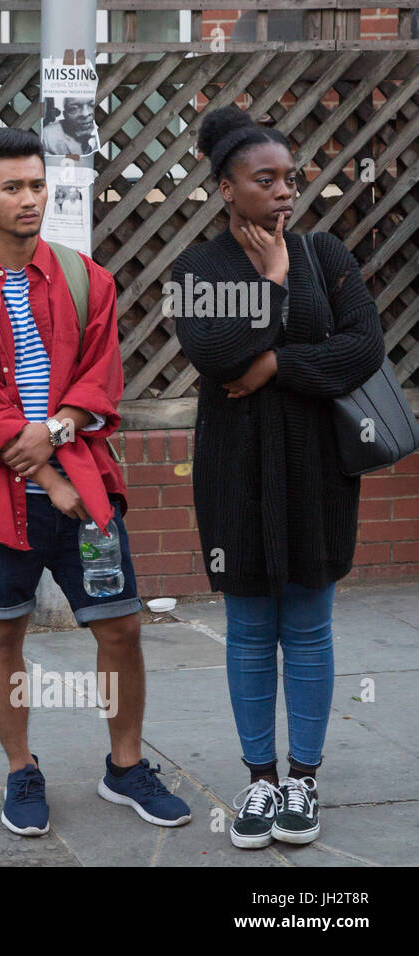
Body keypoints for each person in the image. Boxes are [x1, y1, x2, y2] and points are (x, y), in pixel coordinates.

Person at [0, 127, 191, 836]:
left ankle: (126, 767)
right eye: (12, 187)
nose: (28, 199)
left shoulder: (86, 280)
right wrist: (45, 471)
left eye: (38, 185)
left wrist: (56, 437)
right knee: (4, 635)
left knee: (122, 627)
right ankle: (21, 771)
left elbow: (100, 383)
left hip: (84, 485)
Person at [173, 105, 384, 849]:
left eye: (289, 178)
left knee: (311, 627)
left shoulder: (326, 253)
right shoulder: (198, 269)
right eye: (265, 180)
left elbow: (363, 347)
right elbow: (213, 352)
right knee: (250, 629)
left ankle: (305, 779)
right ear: (226, 188)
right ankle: (260, 781)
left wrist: (275, 365)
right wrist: (268, 281)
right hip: (235, 473)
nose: (283, 191)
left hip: (319, 473)